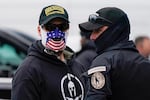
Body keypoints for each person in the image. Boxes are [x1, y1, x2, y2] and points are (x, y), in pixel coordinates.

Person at [12, 5, 84, 100]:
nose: (57, 33)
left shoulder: (77, 66)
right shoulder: (28, 71)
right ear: (39, 30)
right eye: (50, 27)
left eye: (62, 26)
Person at [79, 7, 150, 100]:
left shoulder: (103, 62)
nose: (92, 37)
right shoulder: (145, 63)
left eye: (97, 30)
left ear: (115, 30)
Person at [73, 29, 97, 93]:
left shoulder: (84, 57)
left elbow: (79, 78)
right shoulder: (98, 54)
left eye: (82, 37)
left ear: (85, 39)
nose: (80, 40)